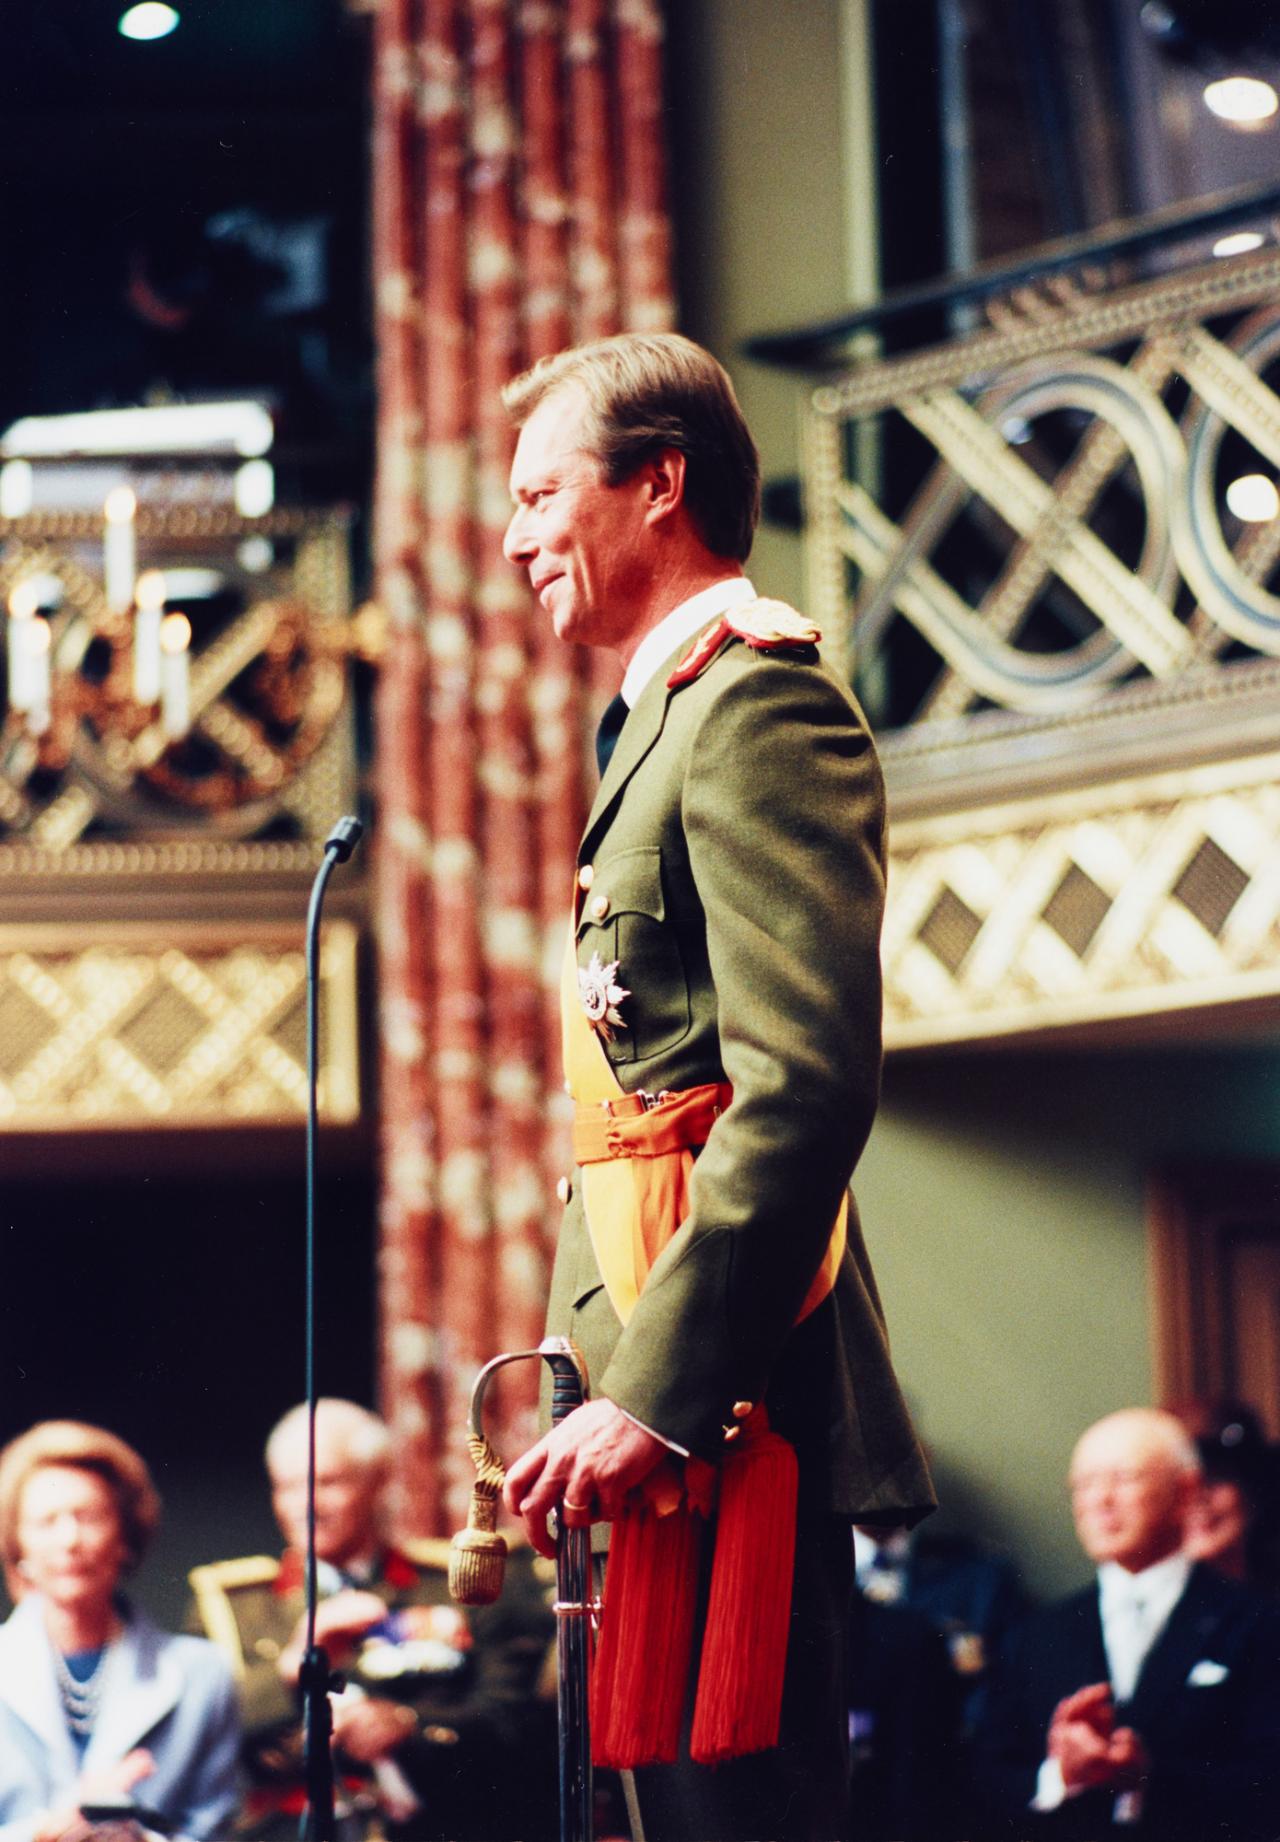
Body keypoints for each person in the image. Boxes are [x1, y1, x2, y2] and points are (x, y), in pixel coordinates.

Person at [498, 331, 934, 1842]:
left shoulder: (750, 702)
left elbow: (799, 1087)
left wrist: (661, 1391)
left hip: (720, 1397)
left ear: (658, 484)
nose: (514, 535)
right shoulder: (660, 713)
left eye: (542, 490)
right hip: (663, 1365)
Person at [187, 1400, 556, 1842]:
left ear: (378, 1482)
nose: (305, 1506)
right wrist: (290, 1670)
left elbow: (518, 1721)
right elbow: (196, 1733)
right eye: (287, 1487)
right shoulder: (230, 1605)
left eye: (327, 1483)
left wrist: (407, 1725)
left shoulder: (462, 1583)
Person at [975, 1406, 1280, 1840]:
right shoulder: (1038, 1634)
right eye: (1084, 1483)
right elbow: (986, 1779)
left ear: (1187, 1491)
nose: (1100, 1500)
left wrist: (1151, 1779)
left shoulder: (1258, 1623)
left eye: (1124, 1478)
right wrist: (1060, 1775)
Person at [0, 1420, 240, 1842]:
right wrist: (42, 1834)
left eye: (89, 1517)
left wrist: (141, 1840)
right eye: (46, 1521)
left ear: (125, 1538)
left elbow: (217, 1829)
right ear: (18, 1548)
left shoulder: (203, 1675)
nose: (70, 1539)